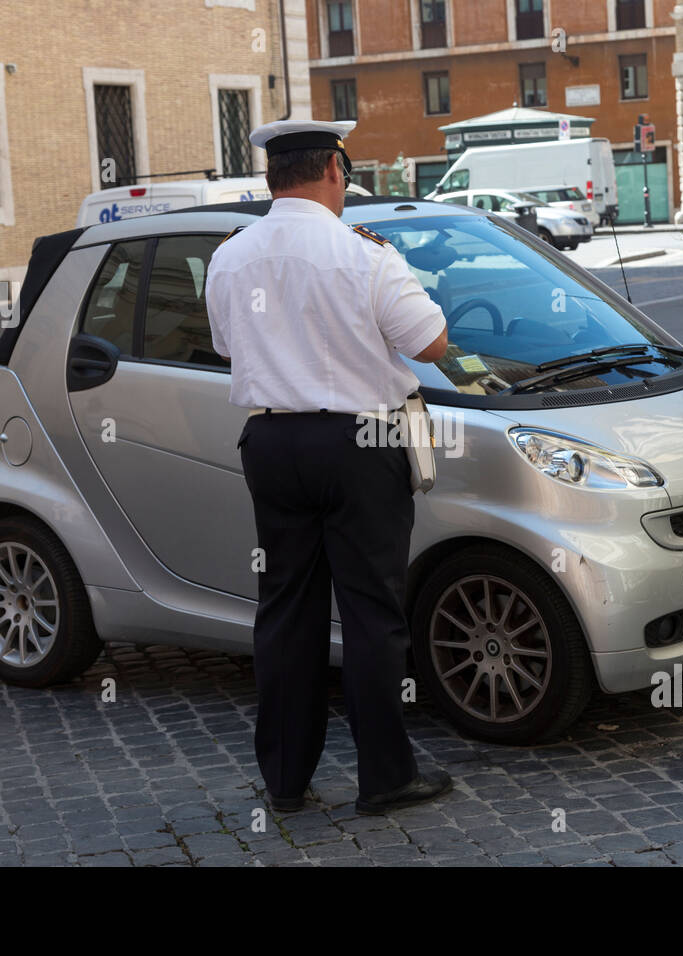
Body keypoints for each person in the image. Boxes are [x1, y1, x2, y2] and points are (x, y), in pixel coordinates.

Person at [206, 120, 452, 816]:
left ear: (271, 179)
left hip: (272, 444)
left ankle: (285, 780)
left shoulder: (231, 256)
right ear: (336, 172)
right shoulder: (364, 255)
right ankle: (385, 777)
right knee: (373, 611)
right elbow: (431, 343)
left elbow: (228, 344)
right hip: (360, 443)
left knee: (285, 611)